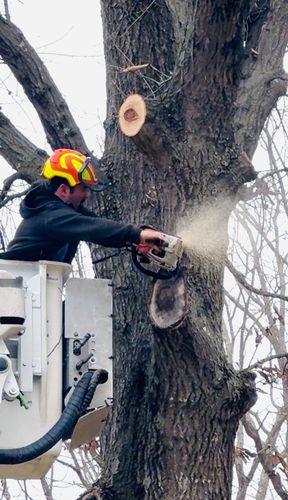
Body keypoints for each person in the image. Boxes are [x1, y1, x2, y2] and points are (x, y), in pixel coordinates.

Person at [0, 149, 165, 264]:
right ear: (64, 190)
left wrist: (135, 240)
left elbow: (97, 224)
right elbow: (91, 227)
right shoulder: (51, 216)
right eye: (82, 189)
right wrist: (135, 234)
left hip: (33, 293)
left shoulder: (57, 210)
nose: (86, 195)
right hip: (16, 295)